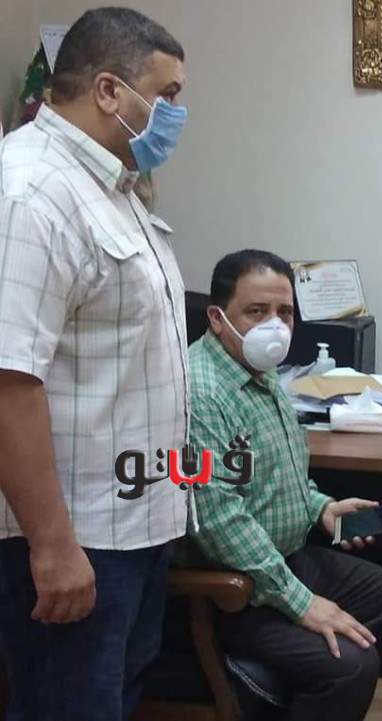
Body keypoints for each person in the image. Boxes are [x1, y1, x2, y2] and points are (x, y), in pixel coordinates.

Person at [0, 8, 189, 720]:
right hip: (76, 536)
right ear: (110, 90)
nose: (176, 115)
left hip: (136, 526)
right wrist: (52, 546)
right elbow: (9, 381)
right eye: (167, 95)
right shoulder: (31, 191)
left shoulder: (112, 187)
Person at [188, 249, 382, 721]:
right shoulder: (202, 394)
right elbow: (220, 521)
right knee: (352, 667)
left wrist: (321, 508)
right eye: (256, 311)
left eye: (284, 313)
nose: (275, 326)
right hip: (237, 592)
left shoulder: (260, 375)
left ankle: (289, 694)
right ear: (218, 318)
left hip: (283, 560)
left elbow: (281, 477)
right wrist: (303, 605)